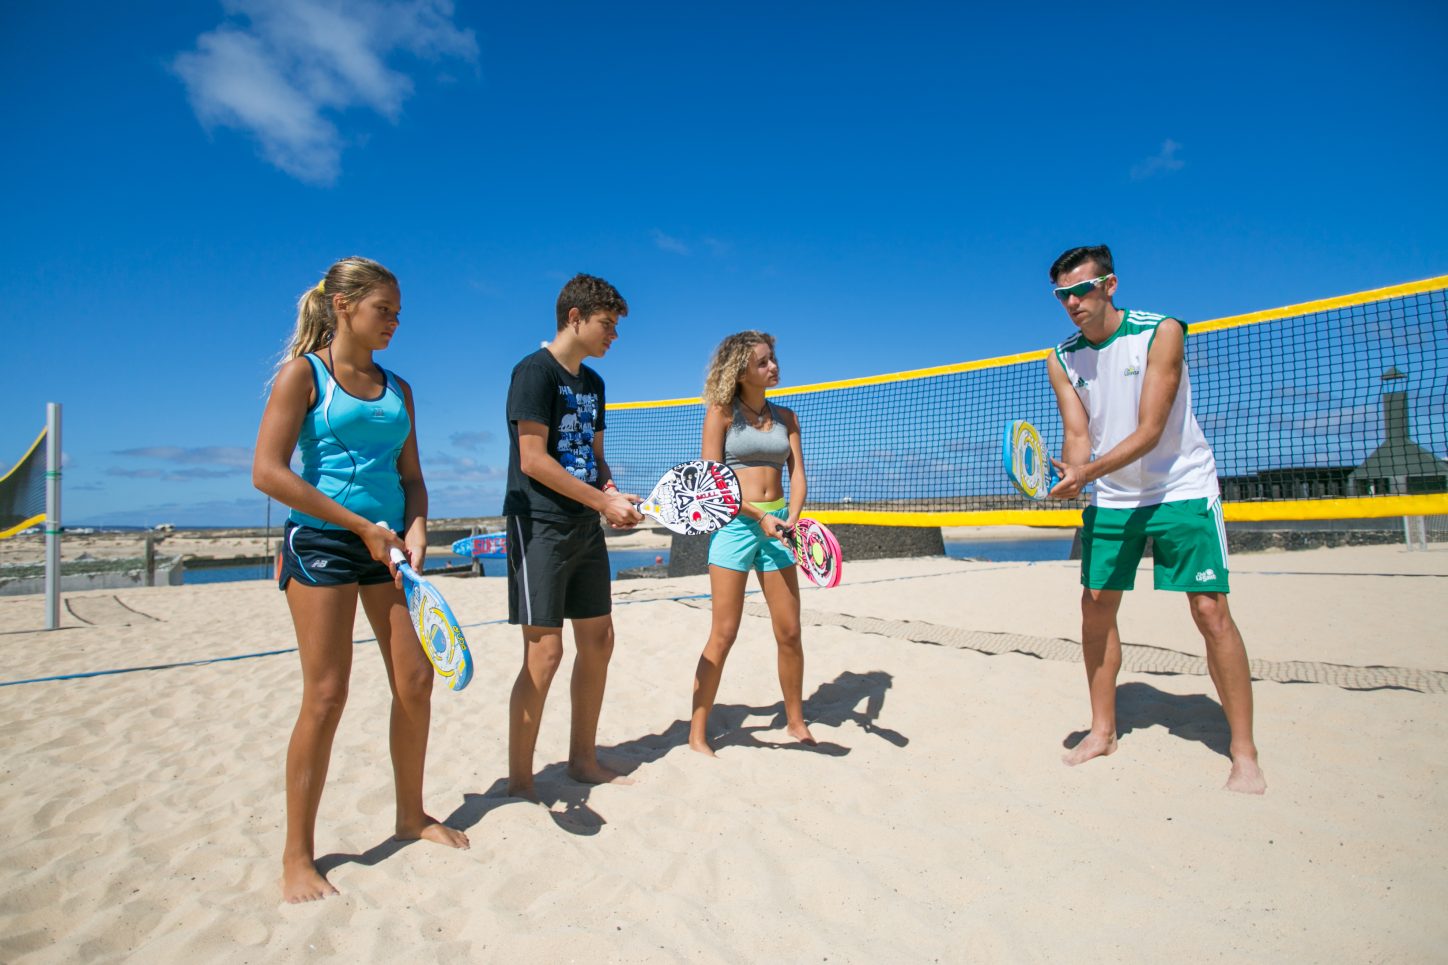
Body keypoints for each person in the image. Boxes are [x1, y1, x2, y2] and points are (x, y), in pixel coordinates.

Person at [253, 256, 469, 903]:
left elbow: (411, 476)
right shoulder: (304, 375)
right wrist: (360, 524)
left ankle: (410, 813)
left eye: (399, 313)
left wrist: (420, 525)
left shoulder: (399, 389)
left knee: (415, 679)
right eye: (385, 310)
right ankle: (297, 854)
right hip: (322, 541)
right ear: (343, 306)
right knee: (326, 694)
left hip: (389, 549)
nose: (395, 323)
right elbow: (268, 471)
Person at [1044, 244, 1266, 794]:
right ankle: (1103, 731)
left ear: (1109, 285)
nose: (1072, 302)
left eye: (1081, 290)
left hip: (1181, 488)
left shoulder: (1161, 330)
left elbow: (1149, 430)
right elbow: (1079, 435)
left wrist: (1087, 469)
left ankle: (1244, 751)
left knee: (1211, 612)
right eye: (1061, 295)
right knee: (1095, 609)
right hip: (1113, 497)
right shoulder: (1061, 357)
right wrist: (1073, 474)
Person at [503, 273, 643, 799]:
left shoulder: (595, 384)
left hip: (585, 523)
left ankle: (582, 760)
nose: (614, 336)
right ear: (574, 318)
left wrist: (610, 492)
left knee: (599, 641)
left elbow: (592, 455)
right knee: (545, 654)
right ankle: (520, 782)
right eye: (607, 325)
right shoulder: (532, 372)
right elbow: (533, 460)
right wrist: (600, 500)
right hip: (538, 523)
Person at [689, 331, 815, 755]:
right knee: (723, 633)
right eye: (763, 362)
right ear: (740, 369)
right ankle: (698, 733)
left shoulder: (787, 417)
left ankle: (796, 721)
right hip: (735, 524)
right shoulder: (721, 413)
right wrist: (759, 516)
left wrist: (790, 518)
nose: (773, 366)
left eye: (773, 358)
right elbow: (711, 484)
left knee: (790, 632)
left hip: (780, 524)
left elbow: (797, 475)